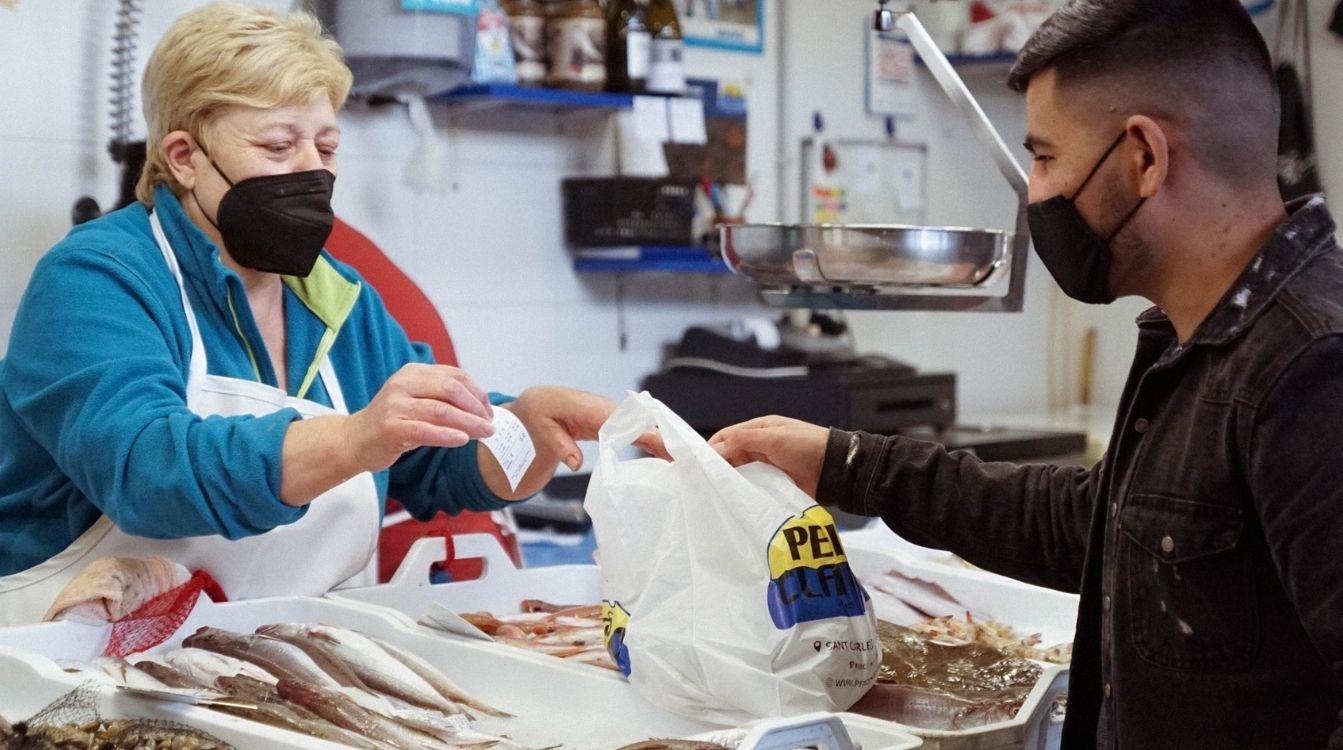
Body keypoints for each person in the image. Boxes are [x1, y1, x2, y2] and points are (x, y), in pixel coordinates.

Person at [710, 1, 1343, 747]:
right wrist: (843, 462)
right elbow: (1091, 526)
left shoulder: (1311, 368)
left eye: (1043, 156)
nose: (1034, 190)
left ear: (1143, 157)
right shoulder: (1190, 343)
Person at [0, 3, 643, 625]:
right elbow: (146, 471)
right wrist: (353, 438)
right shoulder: (96, 278)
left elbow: (428, 463)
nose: (311, 171)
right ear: (185, 157)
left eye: (327, 147)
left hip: (279, 670)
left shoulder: (337, 298)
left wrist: (522, 432)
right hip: (73, 668)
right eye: (279, 147)